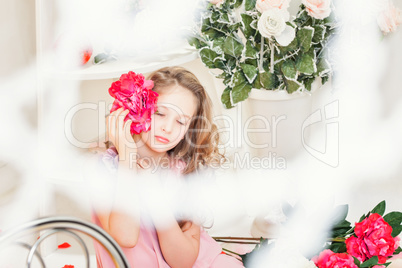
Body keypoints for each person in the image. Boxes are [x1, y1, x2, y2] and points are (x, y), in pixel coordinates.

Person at [91, 66, 244, 267]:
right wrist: (127, 156)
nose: (168, 128)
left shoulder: (185, 171)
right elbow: (126, 238)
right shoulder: (103, 168)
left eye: (180, 122)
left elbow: (183, 262)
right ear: (138, 108)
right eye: (159, 113)